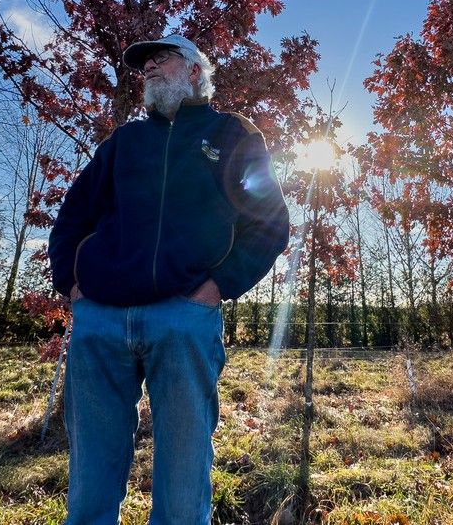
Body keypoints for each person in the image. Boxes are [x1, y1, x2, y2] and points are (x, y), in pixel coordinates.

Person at [48, 33, 290, 525]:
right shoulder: (123, 142)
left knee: (183, 474)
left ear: (195, 71)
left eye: (163, 60)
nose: (150, 70)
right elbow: (73, 216)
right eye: (145, 65)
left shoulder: (233, 135)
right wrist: (70, 284)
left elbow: (270, 222)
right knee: (90, 474)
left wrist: (216, 288)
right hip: (99, 322)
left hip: (183, 318)